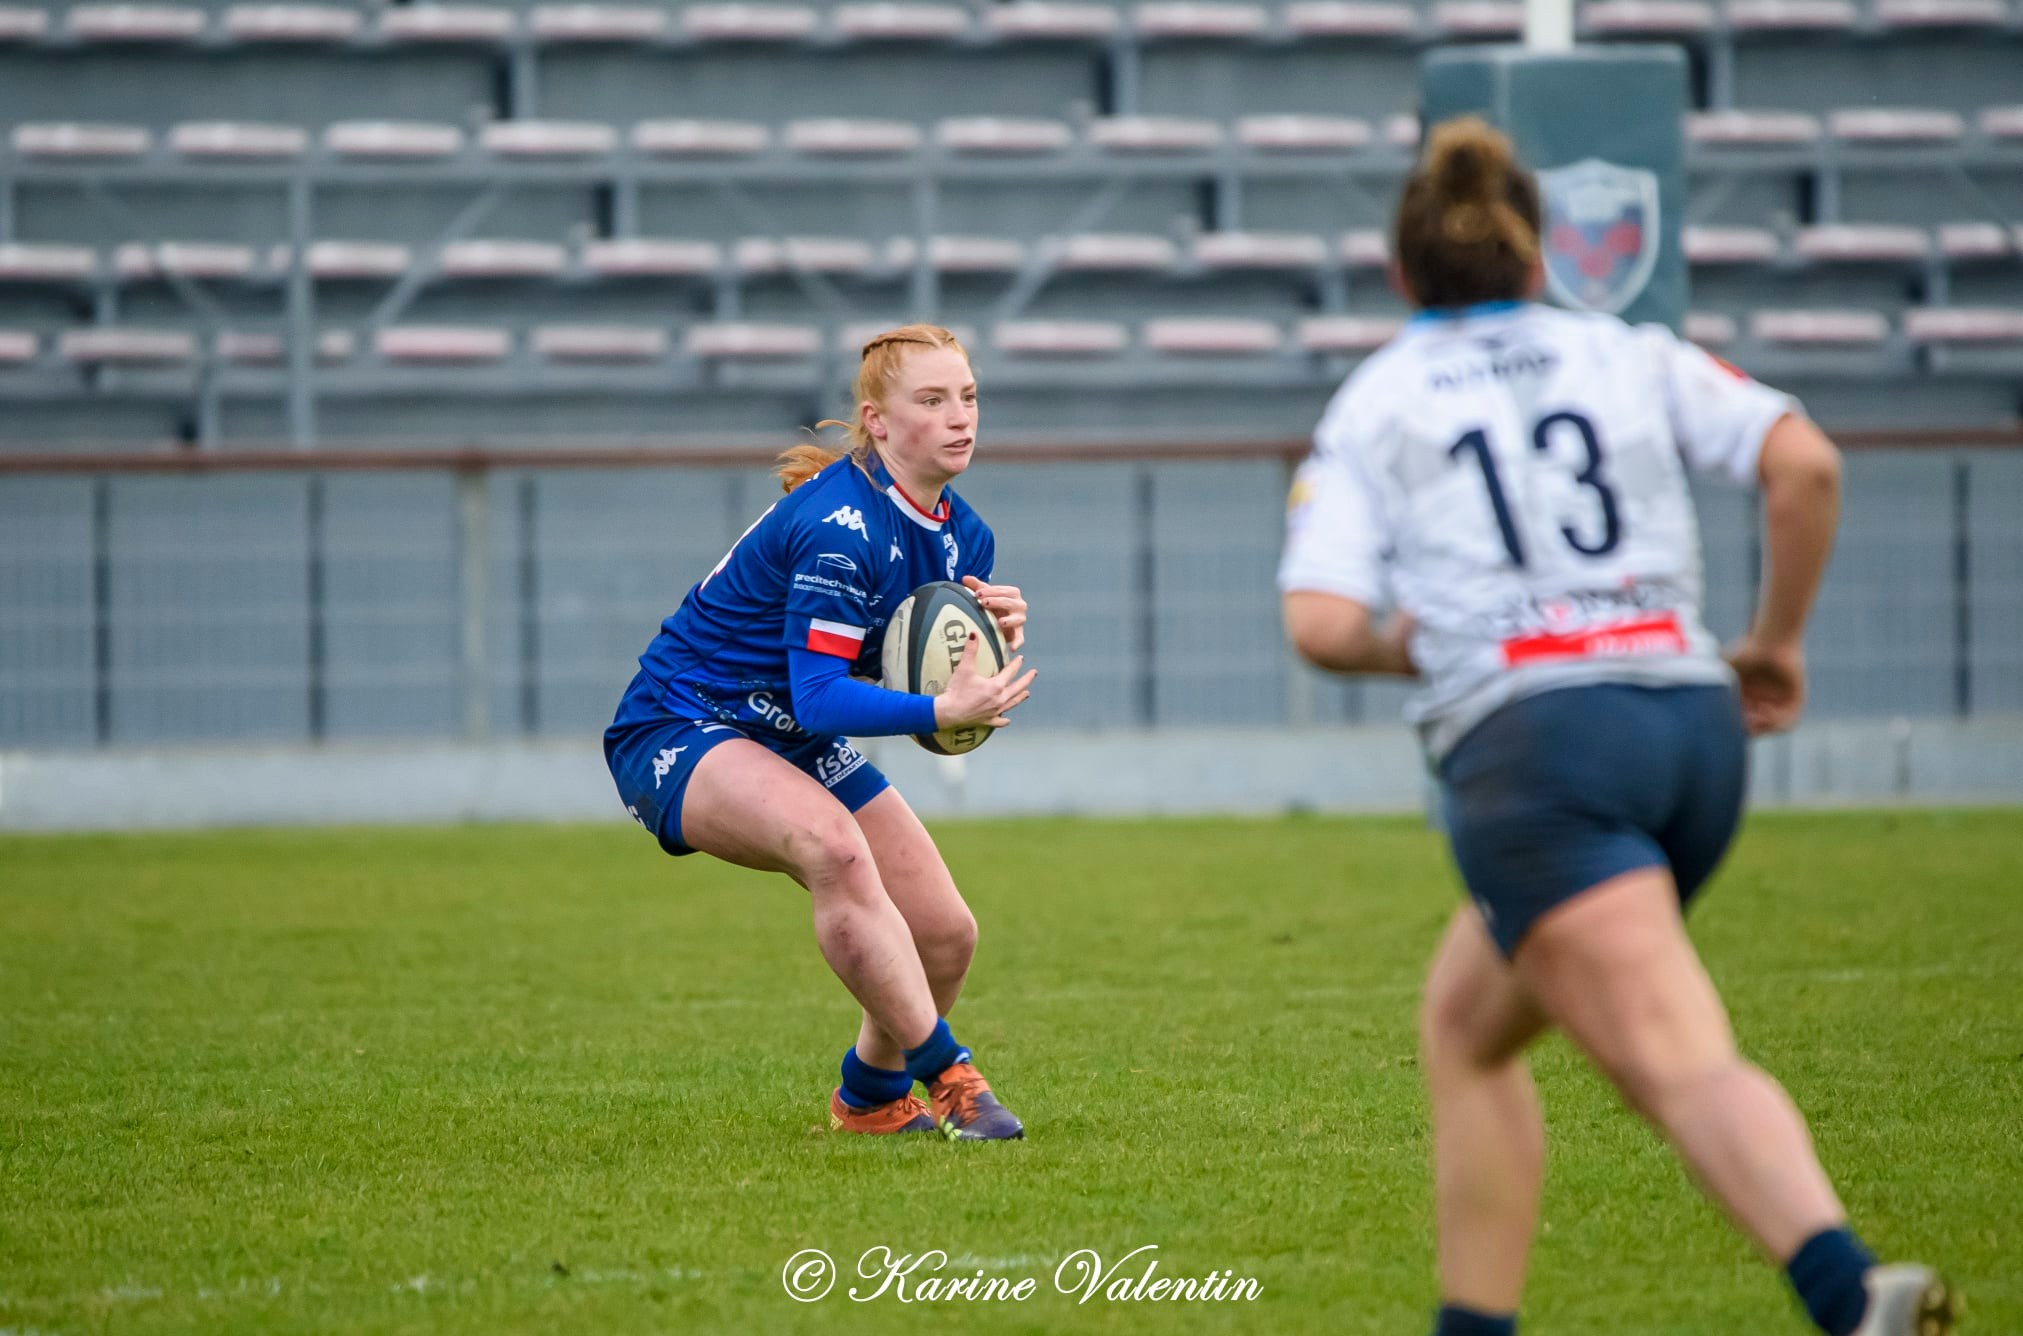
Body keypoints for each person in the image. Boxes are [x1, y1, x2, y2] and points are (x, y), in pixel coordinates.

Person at [1278, 118, 1958, 1336]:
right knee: (1466, 1027)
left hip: (1541, 752)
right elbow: (1803, 465)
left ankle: (1852, 1293)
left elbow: (1322, 623)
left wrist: (1414, 642)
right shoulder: (1625, 351)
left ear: (1400, 278)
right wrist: (1776, 642)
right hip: (1688, 726)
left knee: (1673, 1059)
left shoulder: (1379, 396)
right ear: (1541, 261)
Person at [606, 324, 1037, 1140]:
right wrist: (940, 711)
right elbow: (820, 699)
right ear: (876, 421)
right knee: (833, 848)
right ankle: (950, 1075)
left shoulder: (964, 535)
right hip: (684, 719)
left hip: (784, 735)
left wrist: (979, 651)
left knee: (945, 934)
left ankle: (870, 1097)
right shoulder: (839, 526)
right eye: (933, 400)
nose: (960, 417)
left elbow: (898, 686)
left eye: (969, 397)